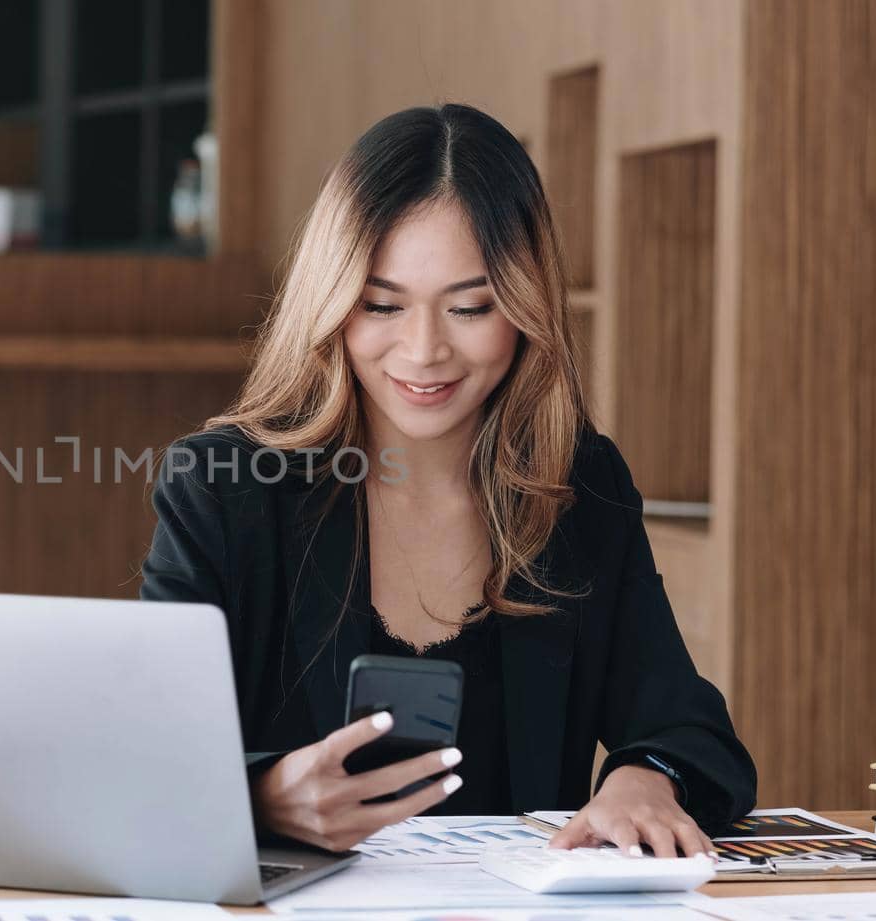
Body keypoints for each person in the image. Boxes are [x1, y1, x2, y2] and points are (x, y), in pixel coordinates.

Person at [139, 104, 755, 859]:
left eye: (470, 306)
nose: (424, 350)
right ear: (332, 303)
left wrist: (643, 777)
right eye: (382, 305)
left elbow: (687, 728)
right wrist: (265, 797)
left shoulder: (579, 485)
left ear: (527, 305)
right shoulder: (225, 486)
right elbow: (145, 757)